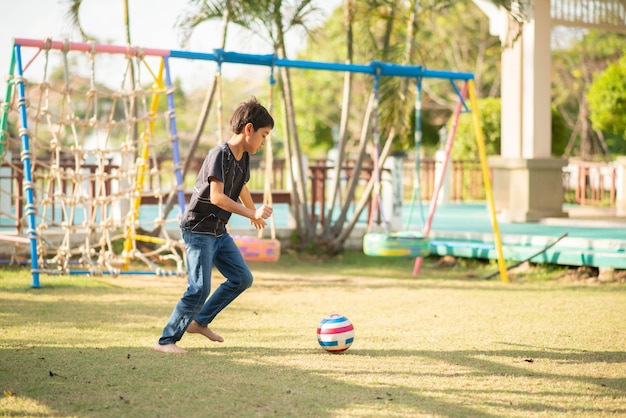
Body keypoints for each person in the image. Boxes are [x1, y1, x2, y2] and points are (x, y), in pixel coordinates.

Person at [155, 97, 274, 354]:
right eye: (264, 135)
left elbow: (241, 186)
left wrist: (254, 214)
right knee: (199, 287)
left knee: (242, 278)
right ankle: (166, 341)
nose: (264, 142)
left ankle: (199, 322)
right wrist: (251, 212)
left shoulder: (243, 158)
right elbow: (217, 197)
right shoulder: (219, 154)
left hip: (218, 231)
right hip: (198, 230)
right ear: (249, 129)